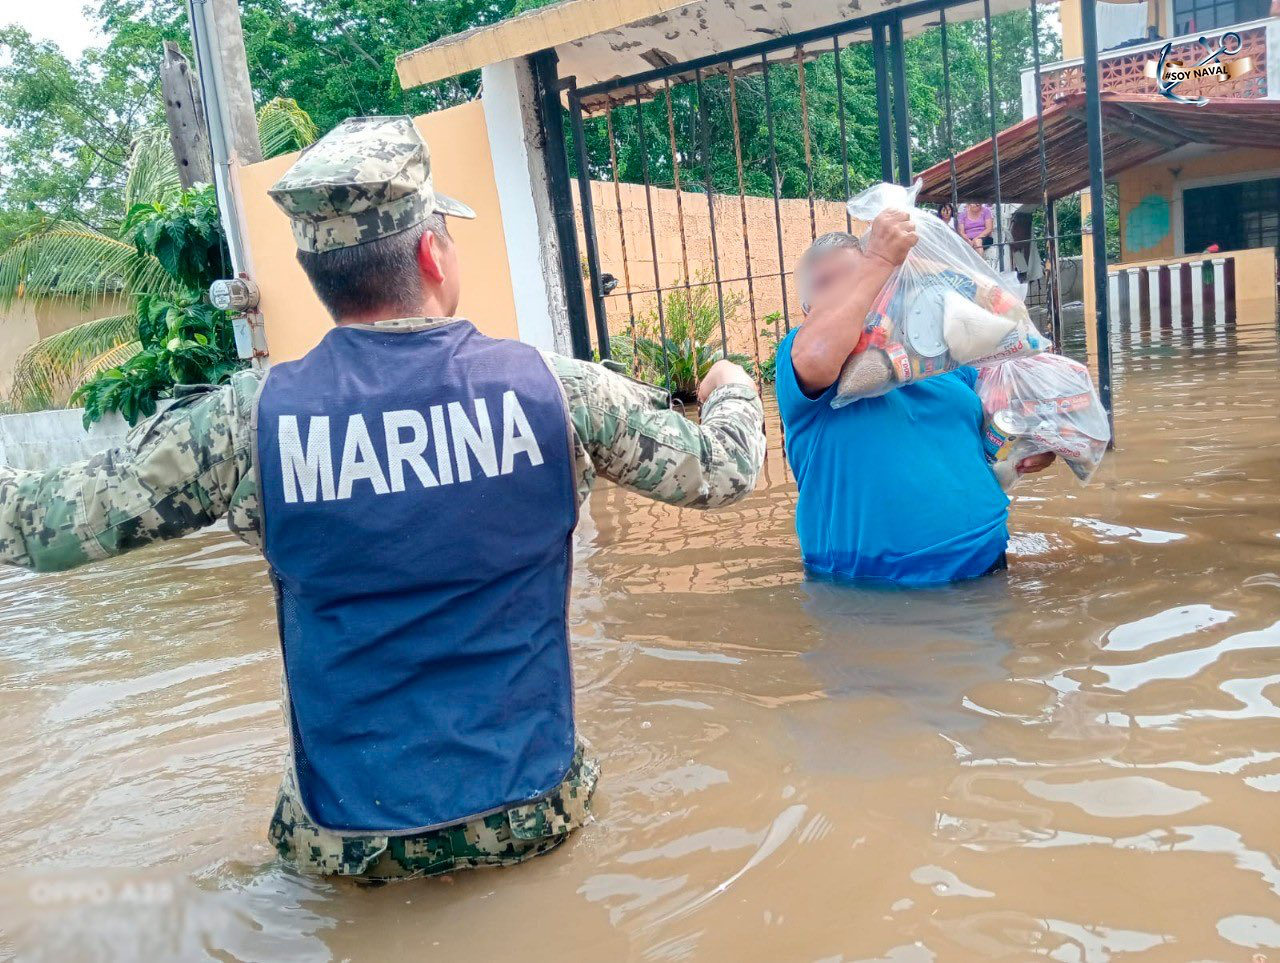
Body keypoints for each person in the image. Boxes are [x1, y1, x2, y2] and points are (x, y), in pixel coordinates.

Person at [0, 116, 766, 879]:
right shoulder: (557, 392)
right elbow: (725, 469)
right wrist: (732, 386)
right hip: (532, 815)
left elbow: (42, 527)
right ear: (432, 252)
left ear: (315, 273)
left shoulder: (247, 421)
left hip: (347, 841)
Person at [776, 224, 1053, 585]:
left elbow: (1002, 421)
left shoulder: (939, 356)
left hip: (987, 566)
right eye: (828, 286)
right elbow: (816, 355)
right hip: (871, 591)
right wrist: (878, 260)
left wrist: (1030, 448)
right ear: (808, 312)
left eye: (856, 279)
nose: (851, 293)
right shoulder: (800, 360)